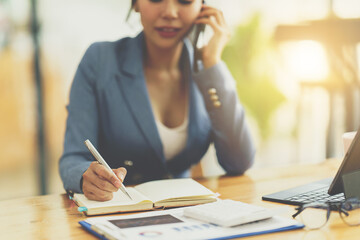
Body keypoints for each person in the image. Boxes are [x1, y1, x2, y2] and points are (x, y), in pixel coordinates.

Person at [59, 0, 255, 201]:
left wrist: (213, 65)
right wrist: (85, 176)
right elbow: (72, 159)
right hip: (117, 209)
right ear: (136, 4)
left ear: (203, 8)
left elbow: (238, 161)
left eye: (185, 1)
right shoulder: (99, 61)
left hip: (186, 211)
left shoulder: (205, 70)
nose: (170, 12)